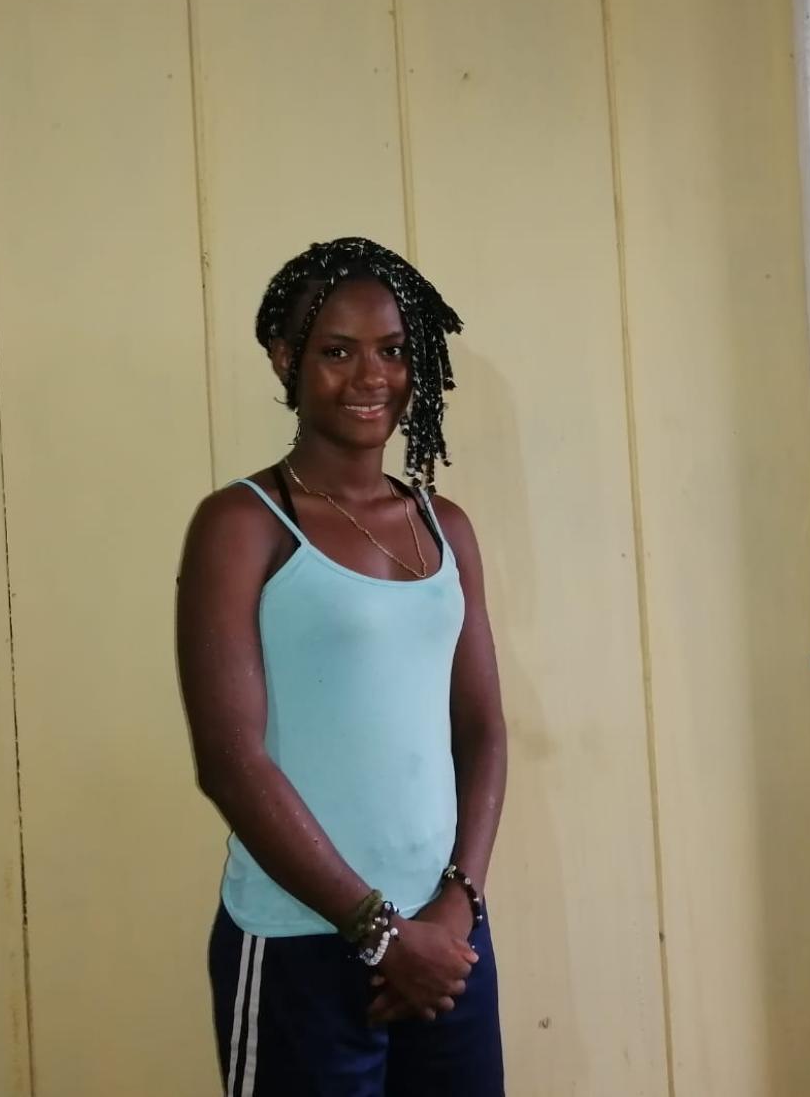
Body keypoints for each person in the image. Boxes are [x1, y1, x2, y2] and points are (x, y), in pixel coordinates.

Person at [176, 236, 509, 1096]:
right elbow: (230, 760)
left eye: (393, 351)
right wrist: (379, 933)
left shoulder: (446, 526)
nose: (372, 376)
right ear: (285, 358)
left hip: (445, 943)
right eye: (336, 351)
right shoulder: (242, 524)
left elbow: (481, 729)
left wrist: (460, 901)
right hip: (302, 942)